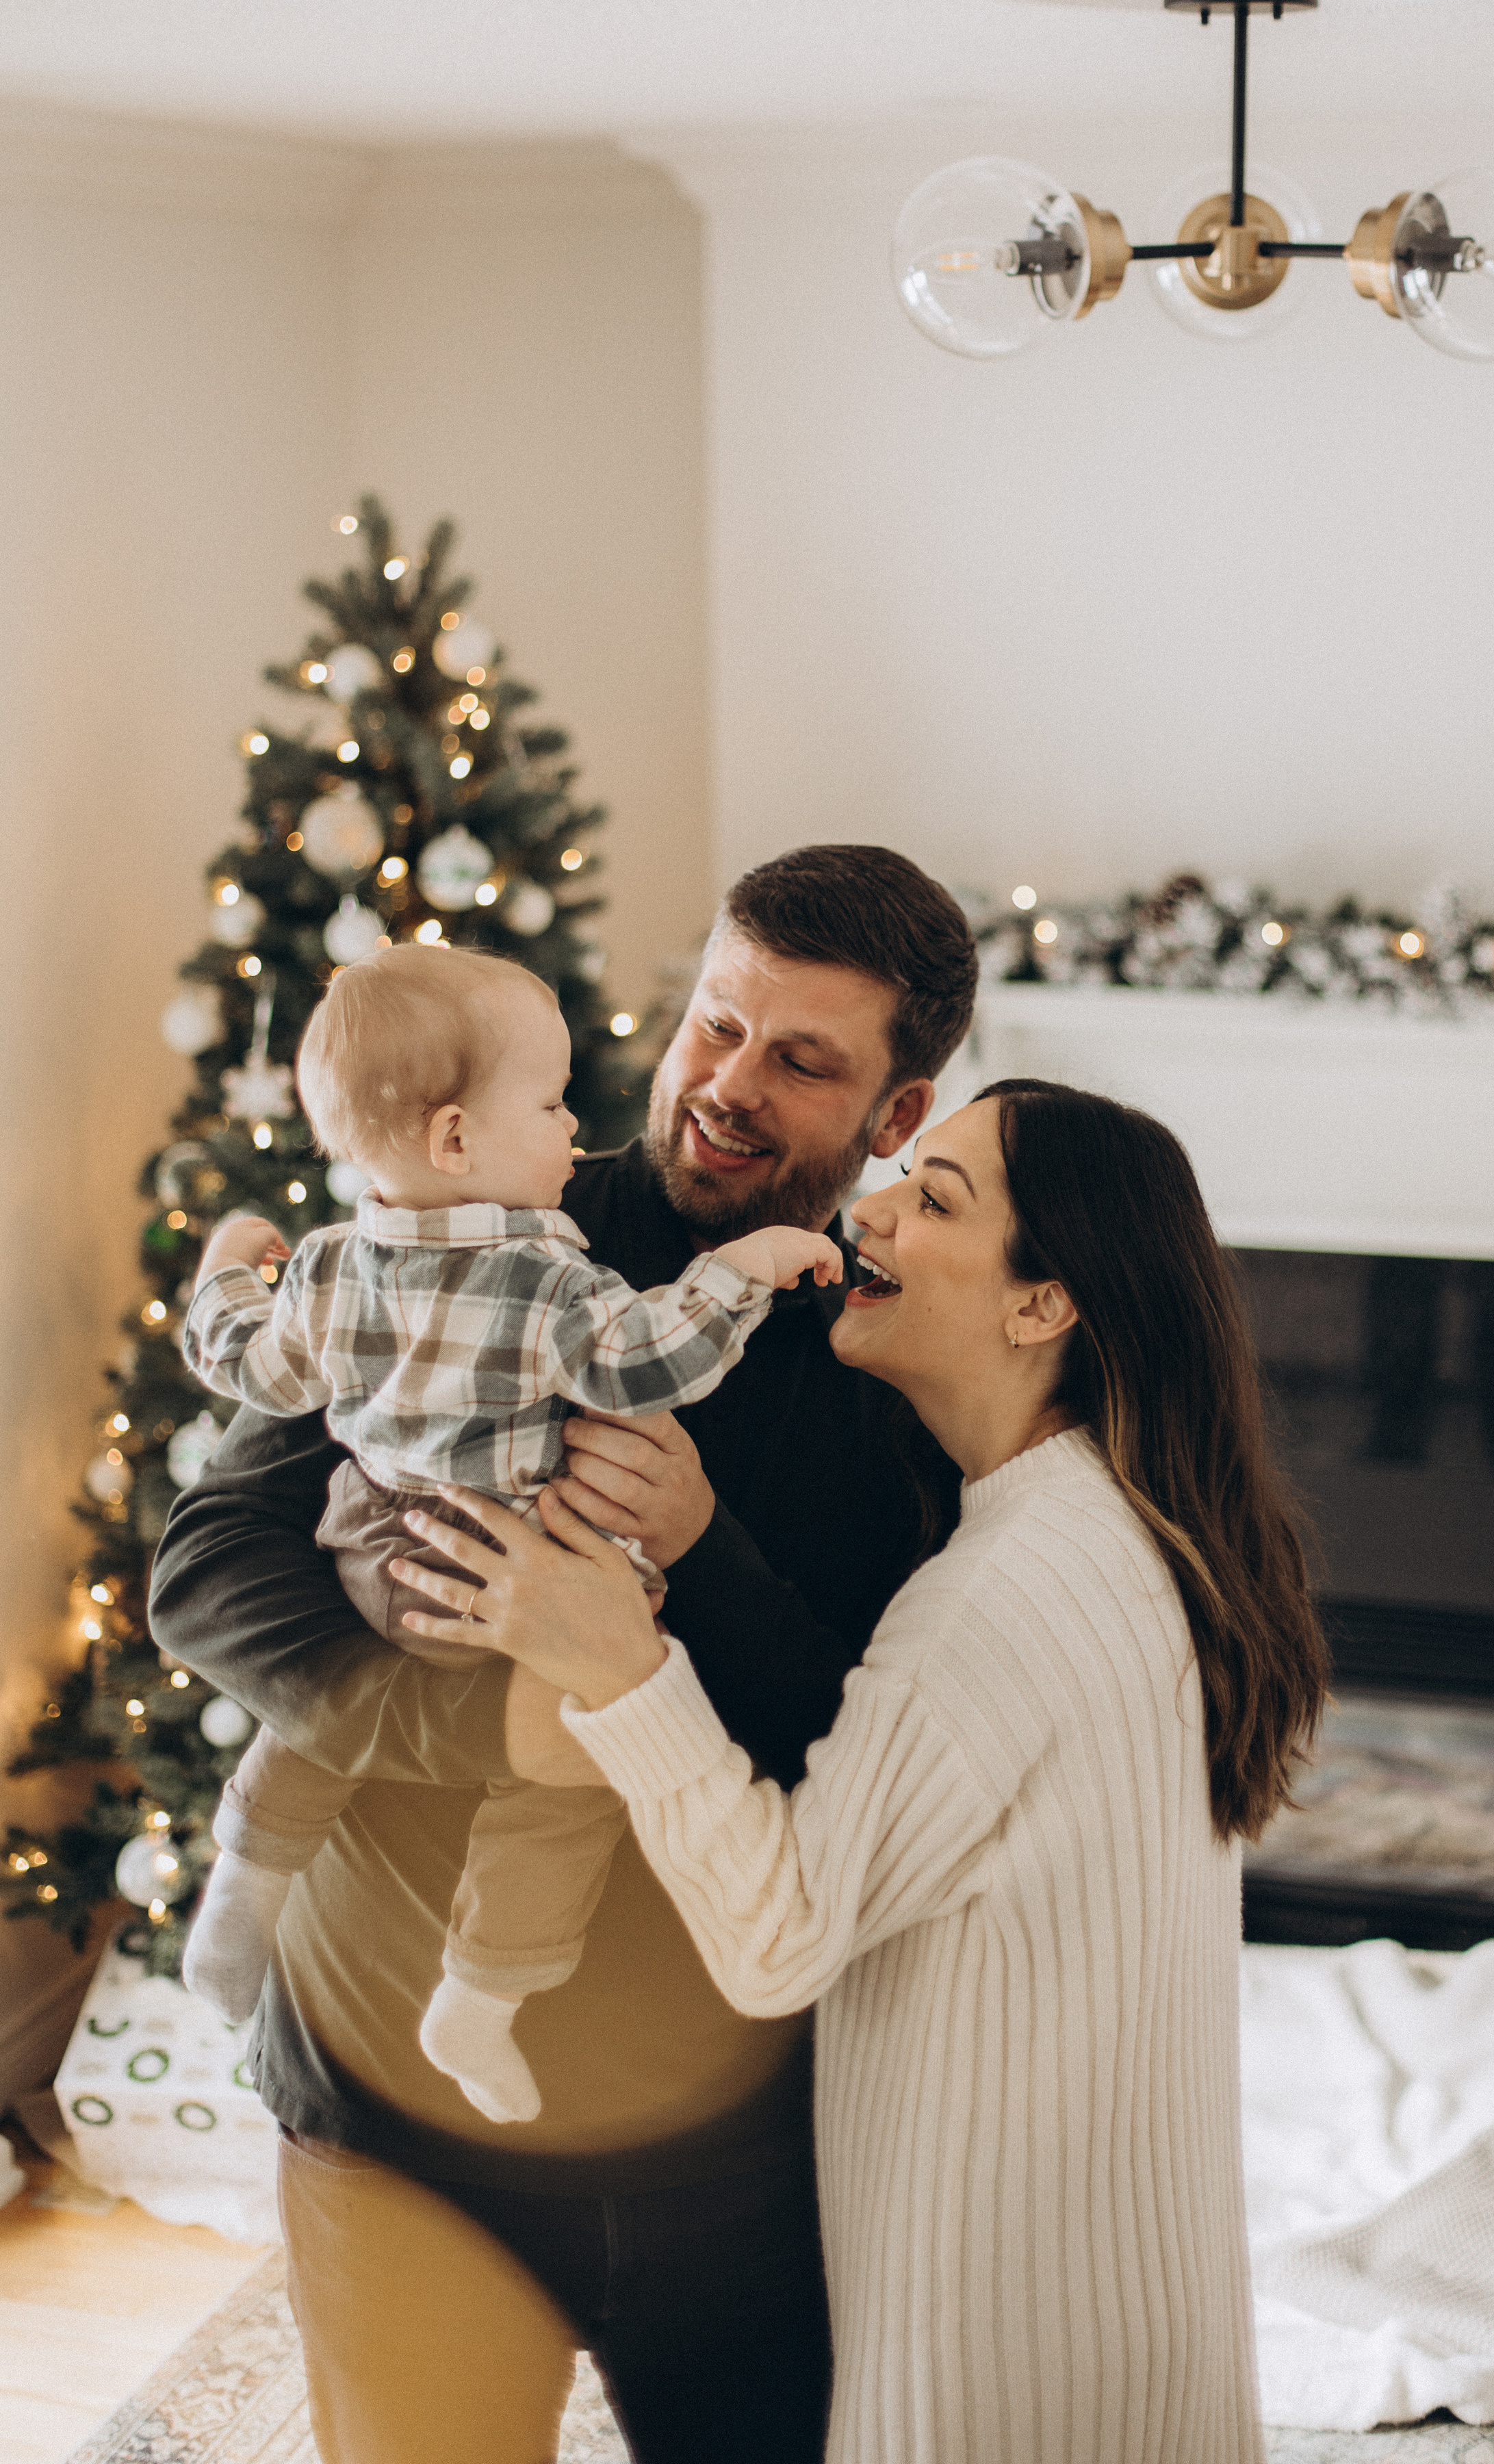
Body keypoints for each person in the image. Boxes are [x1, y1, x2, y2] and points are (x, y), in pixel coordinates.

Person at [148, 845, 975, 2464]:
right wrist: (485, 1730)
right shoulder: (462, 1231)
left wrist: (697, 1555)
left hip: (730, 2155)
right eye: (712, 1028)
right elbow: (212, 1569)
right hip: (386, 2105)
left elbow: (863, 1753)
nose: (726, 1087)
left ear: (896, 1114)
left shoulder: (890, 1364)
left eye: (801, 1062)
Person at [393, 1079, 1331, 2464]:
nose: (869, 1205)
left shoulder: (1006, 1592)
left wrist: (615, 1666)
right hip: (1109, 2325)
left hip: (996, 2359)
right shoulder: (1119, 1534)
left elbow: (778, 1937)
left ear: (1042, 1305)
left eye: (934, 1197)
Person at [179, 940, 839, 2126]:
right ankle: (483, 1991)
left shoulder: (329, 1264)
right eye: (547, 1104)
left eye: (801, 1060)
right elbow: (649, 1358)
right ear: (454, 1140)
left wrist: (227, 1269)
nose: (575, 1129)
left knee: (312, 1724)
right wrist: (748, 1270)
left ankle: (241, 1883)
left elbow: (251, 1366)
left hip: (370, 1554)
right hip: (505, 1591)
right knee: (575, 1773)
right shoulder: (552, 1278)